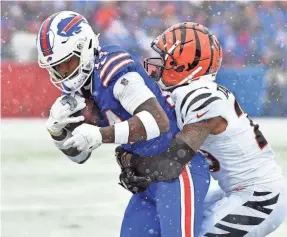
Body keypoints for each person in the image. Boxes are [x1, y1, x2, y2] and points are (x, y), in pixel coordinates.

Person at [36, 11, 210, 237]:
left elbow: (159, 121)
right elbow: (80, 155)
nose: (64, 73)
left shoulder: (111, 68)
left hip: (178, 168)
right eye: (58, 68)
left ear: (85, 47)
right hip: (147, 178)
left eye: (68, 63)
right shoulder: (79, 88)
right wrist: (57, 133)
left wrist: (100, 134)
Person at [118, 22, 287, 237]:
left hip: (260, 196)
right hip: (235, 191)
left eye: (165, 58)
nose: (157, 64)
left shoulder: (201, 97)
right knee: (174, 220)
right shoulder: (190, 90)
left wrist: (136, 165)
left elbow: (173, 162)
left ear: (185, 64)